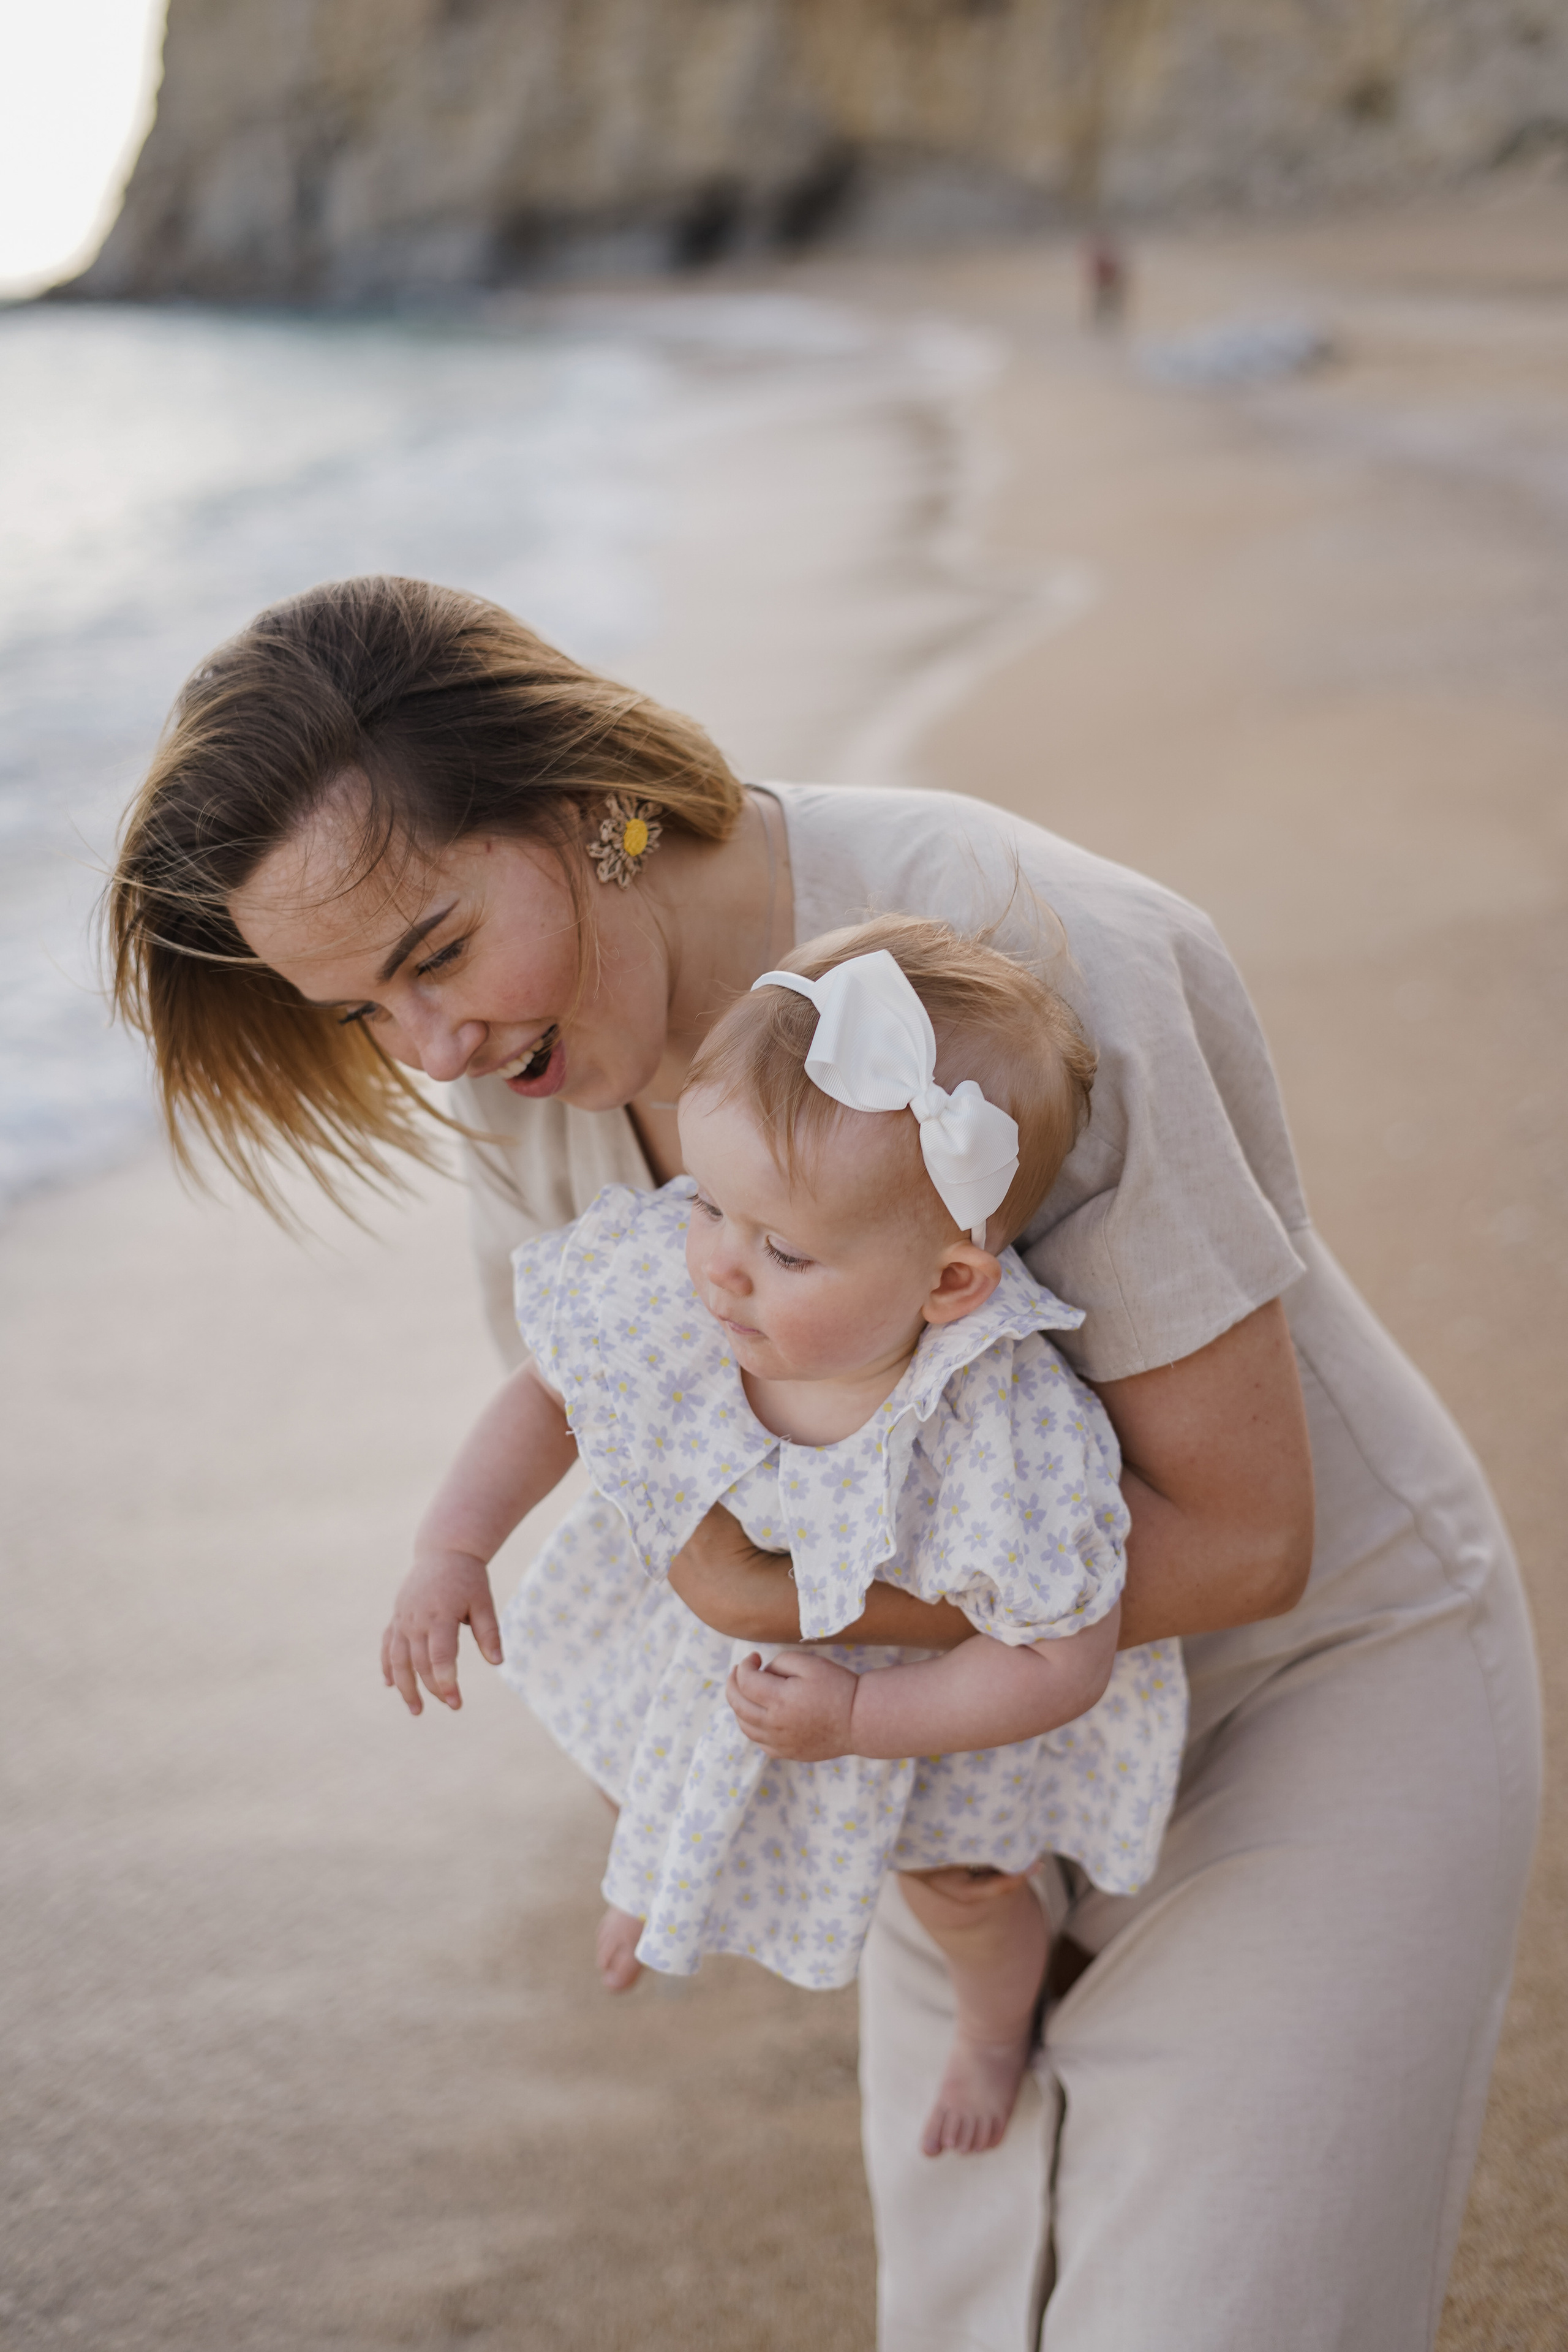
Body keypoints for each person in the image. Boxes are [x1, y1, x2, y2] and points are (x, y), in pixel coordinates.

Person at [107, 575, 1540, 2351]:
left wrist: (762, 1597)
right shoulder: (521, 1088)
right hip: (949, 1796)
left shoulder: (1030, 944)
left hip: (1301, 1694)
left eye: (437, 956)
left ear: (580, 801)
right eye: (363, 1017)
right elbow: (624, 1464)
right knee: (972, 2312)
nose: (436, 1052)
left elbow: (1245, 1541)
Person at [383, 921, 1188, 2157]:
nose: (719, 1268)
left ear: (949, 1284)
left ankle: (992, 2023)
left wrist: (861, 1725)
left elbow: (1058, 1656)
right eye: (710, 1202)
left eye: (785, 1251)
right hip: (699, 1638)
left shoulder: (1000, 1420)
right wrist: (453, 1548)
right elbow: (551, 1393)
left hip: (923, 1701)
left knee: (964, 1892)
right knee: (618, 1737)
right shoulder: (683, 1270)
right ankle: (654, 1866)